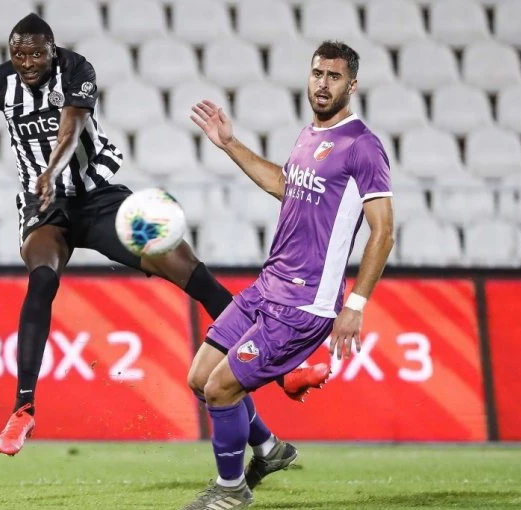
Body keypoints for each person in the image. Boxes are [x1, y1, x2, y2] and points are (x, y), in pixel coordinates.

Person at [0, 13, 323, 457]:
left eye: (36, 54)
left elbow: (72, 128)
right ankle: (23, 409)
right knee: (42, 279)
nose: (27, 63)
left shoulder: (76, 69)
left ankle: (284, 371)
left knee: (192, 273)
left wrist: (52, 170)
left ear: (51, 50)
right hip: (45, 207)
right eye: (19, 54)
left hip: (99, 199)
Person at [182, 40, 395, 509]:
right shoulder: (308, 135)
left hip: (304, 303)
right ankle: (268, 449)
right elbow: (285, 185)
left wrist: (355, 305)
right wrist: (230, 144)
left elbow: (383, 231)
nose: (323, 84)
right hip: (267, 287)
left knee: (220, 389)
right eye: (318, 73)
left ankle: (231, 491)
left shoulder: (362, 146)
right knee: (200, 378)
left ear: (352, 86)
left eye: (334, 76)